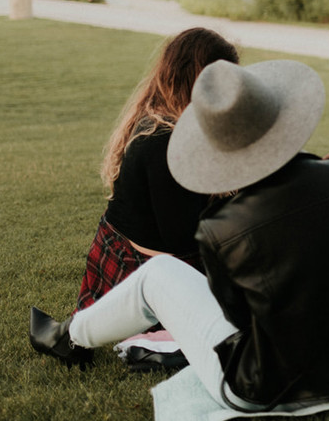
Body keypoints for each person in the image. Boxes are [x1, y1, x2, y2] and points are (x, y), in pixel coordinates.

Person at [28, 59, 329, 411]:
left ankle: (69, 337)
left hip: (266, 391)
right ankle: (78, 338)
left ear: (217, 152)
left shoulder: (220, 229)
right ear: (284, 116)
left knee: (159, 274)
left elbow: (240, 325)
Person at [74, 27, 239, 311]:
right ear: (195, 78)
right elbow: (183, 238)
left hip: (156, 258)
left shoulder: (172, 121)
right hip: (140, 270)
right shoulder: (163, 139)